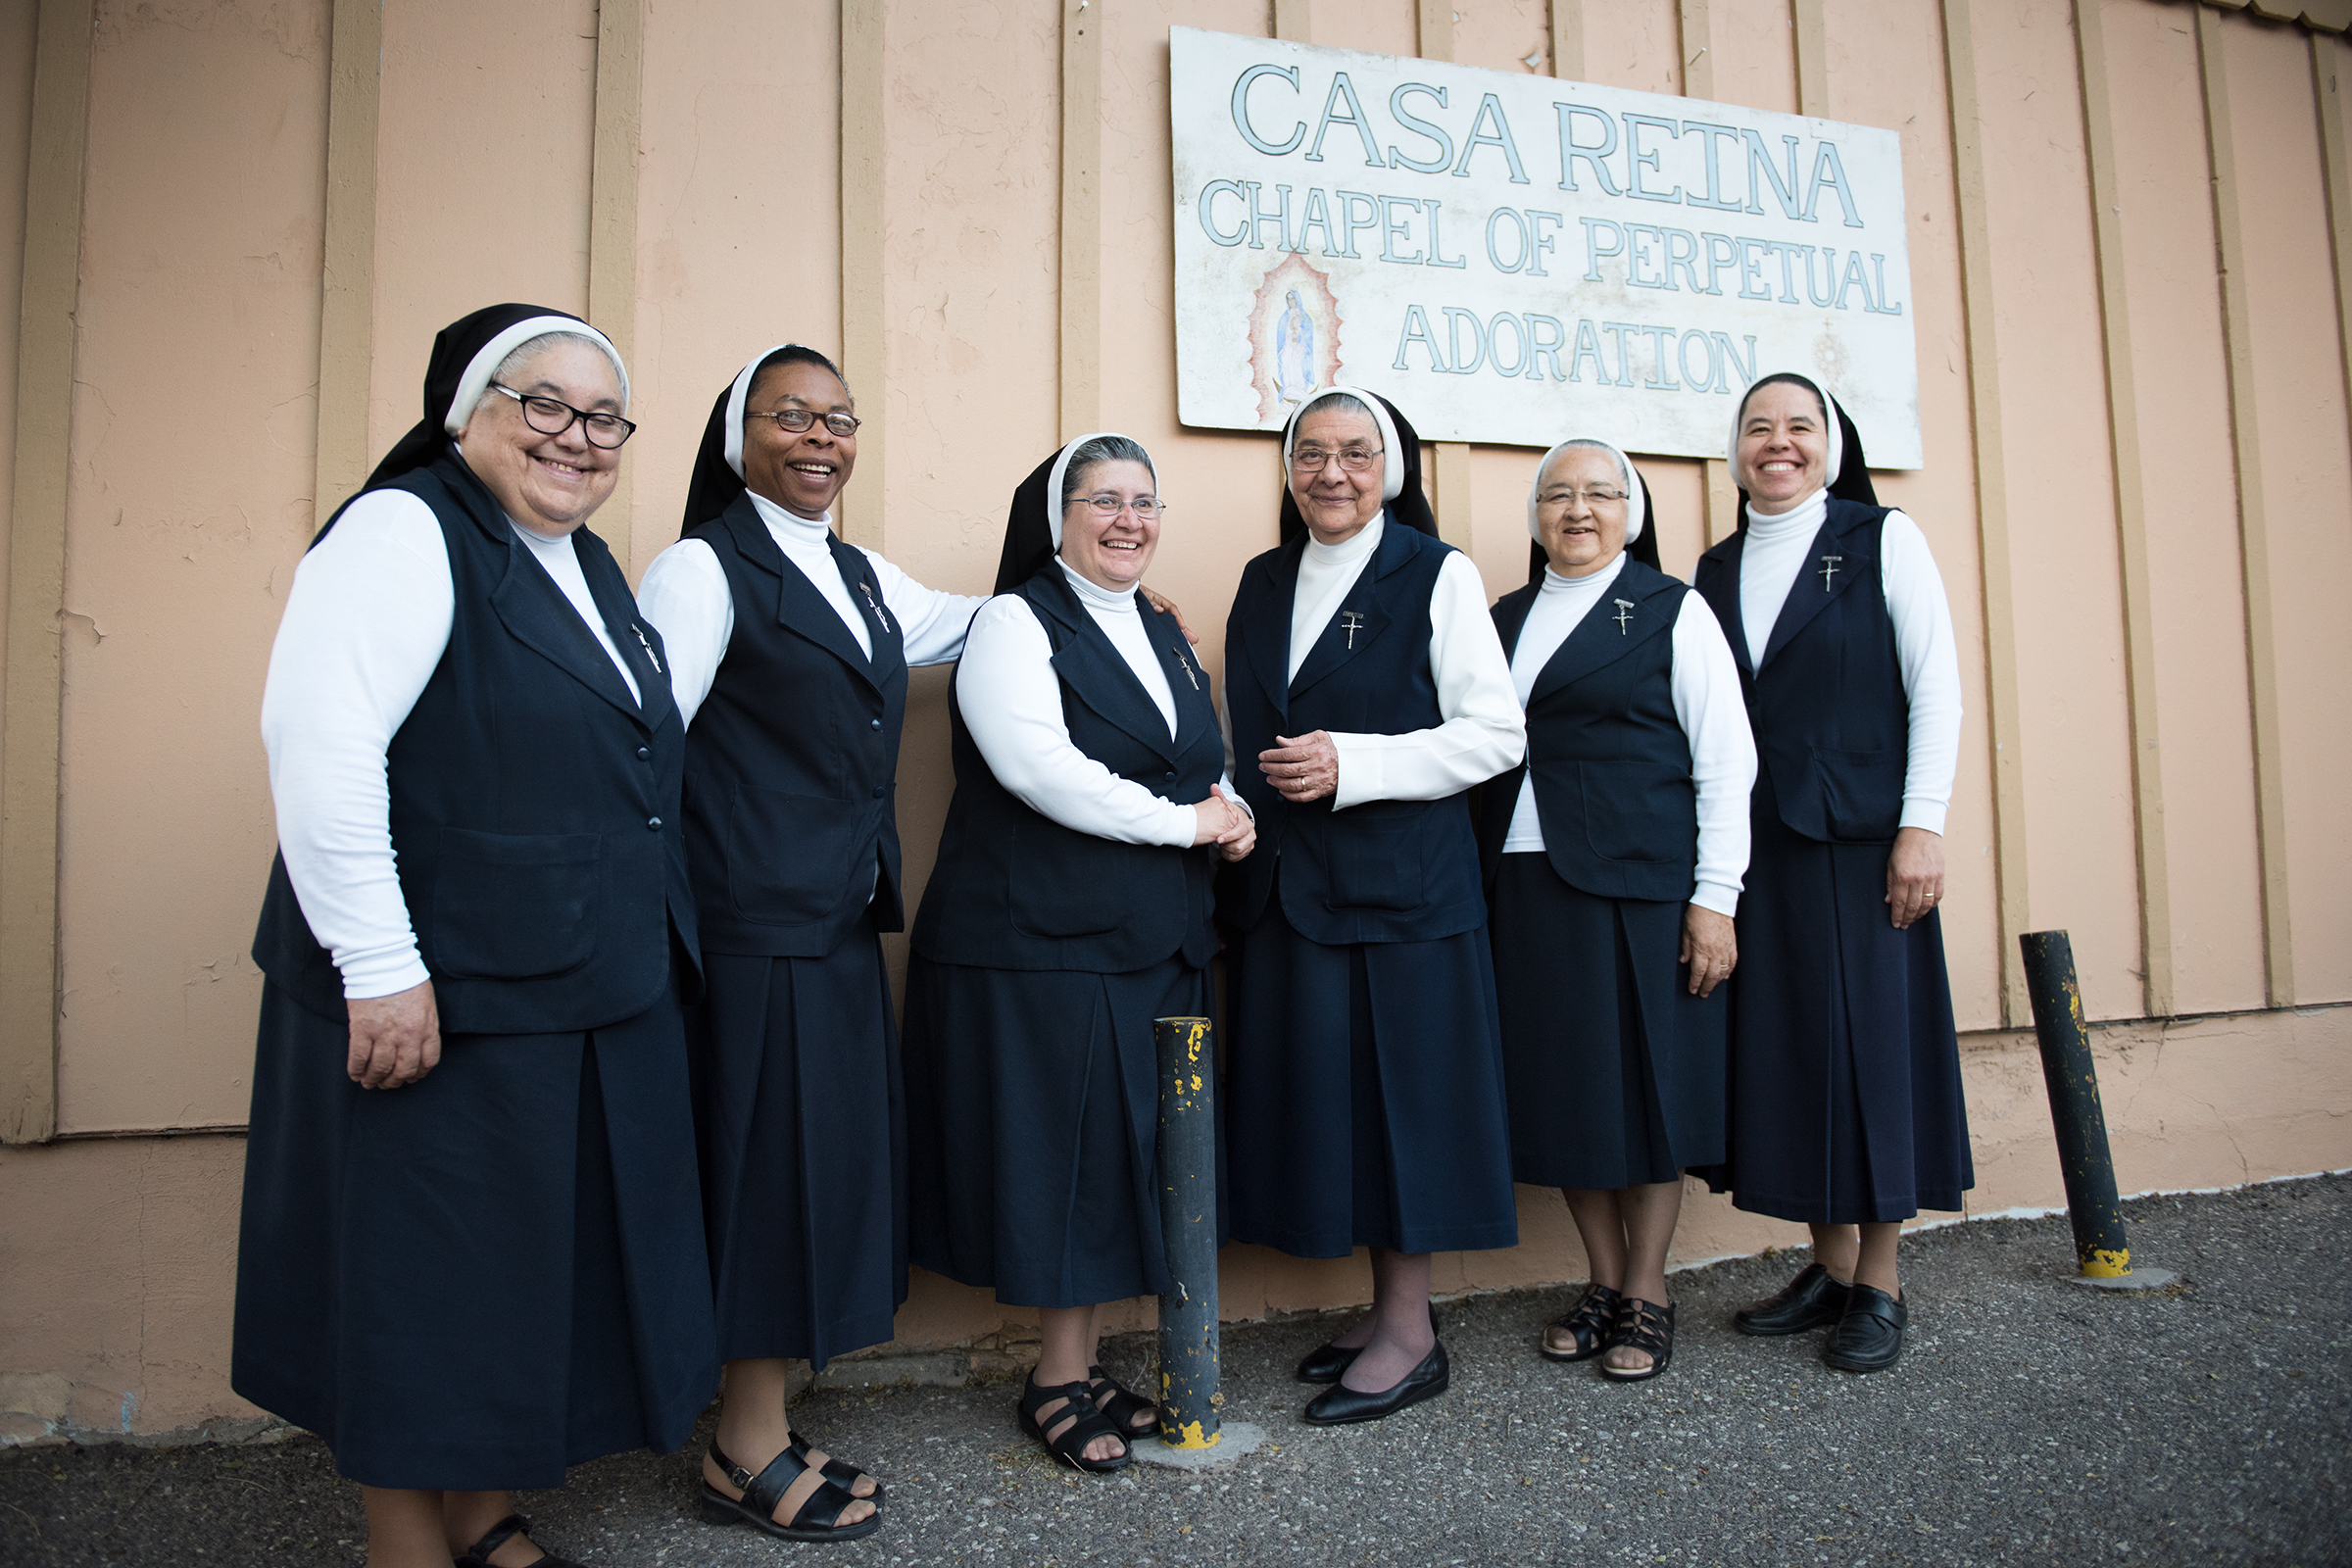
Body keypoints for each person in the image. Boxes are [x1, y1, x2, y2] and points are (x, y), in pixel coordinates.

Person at [235, 304, 716, 1568]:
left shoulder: (590, 562)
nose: (577, 437)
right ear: (467, 410)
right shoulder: (406, 528)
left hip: (567, 988)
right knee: (425, 1290)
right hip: (445, 993)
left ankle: (483, 1512)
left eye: (604, 416)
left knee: (518, 1279)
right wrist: (380, 966)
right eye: (541, 403)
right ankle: (407, 1543)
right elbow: (321, 745)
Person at [633, 343, 991, 1543]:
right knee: (757, 1186)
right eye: (791, 416)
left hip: (830, 927)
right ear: (738, 437)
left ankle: (762, 1422)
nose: (821, 438)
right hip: (745, 938)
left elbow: (971, 622)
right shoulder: (698, 569)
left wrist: (1106, 605)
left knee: (806, 1180)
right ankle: (738, 1450)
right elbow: (638, 752)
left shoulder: (855, 572)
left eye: (839, 417)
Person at [901, 433, 1253, 1472]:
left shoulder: (1158, 625)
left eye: (1145, 501)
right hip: (1039, 945)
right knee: (1070, 1157)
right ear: (1057, 515)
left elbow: (1203, 752)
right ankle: (1055, 1377)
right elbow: (1037, 768)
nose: (1129, 520)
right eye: (1103, 499)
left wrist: (1226, 807)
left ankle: (1083, 1363)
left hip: (1147, 939)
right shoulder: (1014, 622)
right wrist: (1190, 826)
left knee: (1121, 1157)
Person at [1219, 386, 1526, 1425]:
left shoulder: (1437, 573)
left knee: (1407, 1112)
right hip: (1292, 895)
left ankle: (1411, 1331)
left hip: (1404, 892)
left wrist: (1357, 762)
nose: (1333, 472)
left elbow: (1496, 734)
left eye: (1357, 452)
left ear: (1392, 469)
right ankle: (1377, 1307)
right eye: (1312, 453)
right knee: (1337, 1107)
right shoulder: (1264, 580)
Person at [1694, 371, 1970, 1374]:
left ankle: (1881, 1282)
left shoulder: (1880, 538)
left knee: (1871, 1052)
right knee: (1798, 1051)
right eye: (1759, 428)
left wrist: (1921, 826)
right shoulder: (1715, 568)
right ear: (1736, 452)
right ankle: (1830, 1266)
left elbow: (1935, 689)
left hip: (1862, 846)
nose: (1779, 442)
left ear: (1831, 442)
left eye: (1799, 426)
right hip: (1761, 848)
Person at [1480, 439, 1754, 1383]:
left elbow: (1727, 760)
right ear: (1535, 517)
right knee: (1571, 1093)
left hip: (1642, 884)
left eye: (1600, 493)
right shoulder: (1502, 618)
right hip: (1524, 879)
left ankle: (1649, 1287)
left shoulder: (1674, 612)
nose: (1578, 509)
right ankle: (1602, 1280)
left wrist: (1714, 900)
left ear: (1631, 513)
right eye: (1558, 495)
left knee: (1647, 1089)